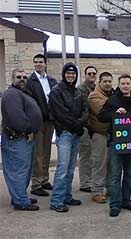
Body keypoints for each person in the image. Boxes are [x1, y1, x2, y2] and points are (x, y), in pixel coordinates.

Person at [98, 74, 131, 217]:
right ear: (119, 85)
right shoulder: (112, 100)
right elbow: (101, 116)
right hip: (116, 143)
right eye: (123, 83)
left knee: (128, 174)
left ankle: (126, 200)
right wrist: (115, 113)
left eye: (127, 83)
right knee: (115, 175)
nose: (125, 86)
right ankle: (114, 204)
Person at [49, 62, 88, 213]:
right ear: (64, 74)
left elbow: (85, 110)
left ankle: (66, 196)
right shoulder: (56, 91)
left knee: (71, 168)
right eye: (68, 73)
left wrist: (80, 123)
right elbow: (60, 113)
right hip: (64, 133)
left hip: (76, 133)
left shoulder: (78, 92)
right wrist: (75, 124)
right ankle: (57, 200)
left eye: (73, 74)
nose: (70, 76)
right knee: (63, 168)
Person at [1, 68, 42, 211]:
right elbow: (16, 117)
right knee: (18, 170)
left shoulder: (23, 93)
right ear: (12, 79)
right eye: (19, 76)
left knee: (24, 170)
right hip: (17, 138)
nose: (22, 79)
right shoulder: (11, 94)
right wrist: (28, 129)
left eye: (25, 77)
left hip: (24, 138)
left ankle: (19, 196)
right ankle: (21, 202)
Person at [26, 54, 57, 197]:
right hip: (37, 122)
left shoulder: (51, 80)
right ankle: (36, 184)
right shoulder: (30, 81)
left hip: (49, 121)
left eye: (40, 62)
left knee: (46, 152)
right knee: (37, 153)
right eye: (36, 62)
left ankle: (44, 179)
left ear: (45, 63)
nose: (38, 64)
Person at [87, 72, 114, 203]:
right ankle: (97, 191)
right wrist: (119, 107)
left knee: (110, 163)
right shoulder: (94, 96)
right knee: (99, 163)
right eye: (105, 81)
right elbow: (104, 112)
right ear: (99, 82)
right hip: (100, 133)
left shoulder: (112, 95)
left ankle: (109, 188)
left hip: (111, 134)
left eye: (110, 81)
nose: (108, 83)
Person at [77, 65, 97, 193]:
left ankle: (93, 180)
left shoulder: (97, 89)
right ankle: (85, 182)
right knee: (85, 155)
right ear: (85, 75)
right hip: (85, 127)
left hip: (95, 127)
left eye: (94, 73)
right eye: (89, 73)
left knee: (94, 156)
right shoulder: (80, 90)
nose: (91, 75)